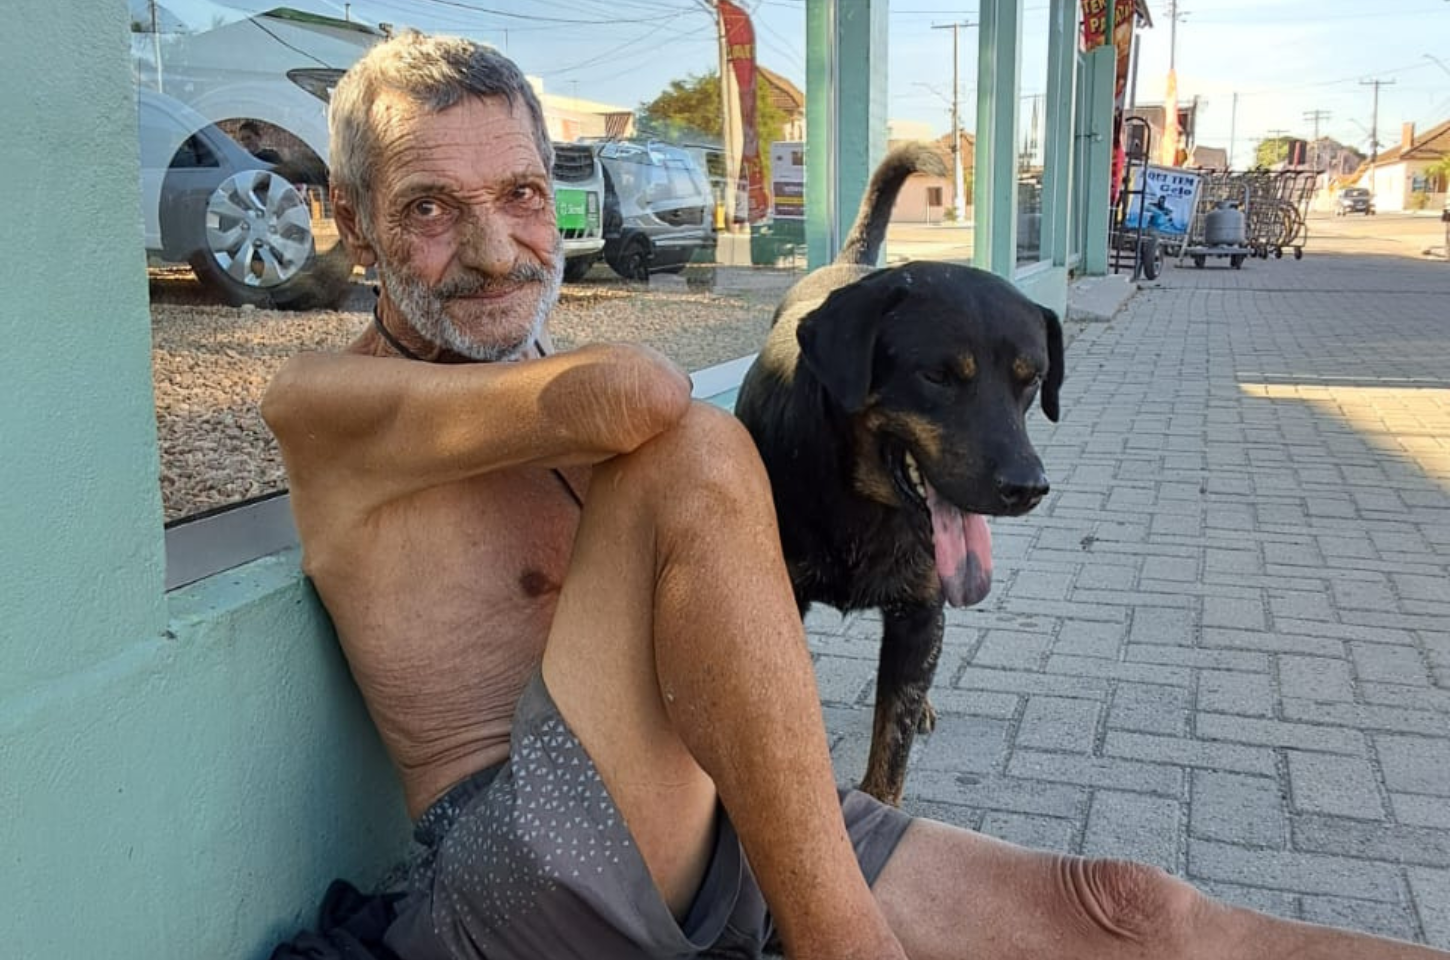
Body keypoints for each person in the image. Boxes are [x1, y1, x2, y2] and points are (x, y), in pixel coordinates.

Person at [261, 31, 1449, 960]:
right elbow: (628, 400)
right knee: (699, 452)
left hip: (712, 822)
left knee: (1129, 909)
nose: (489, 248)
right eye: (428, 209)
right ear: (353, 227)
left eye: (522, 194)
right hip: (522, 858)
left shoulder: (528, 371)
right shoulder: (324, 405)